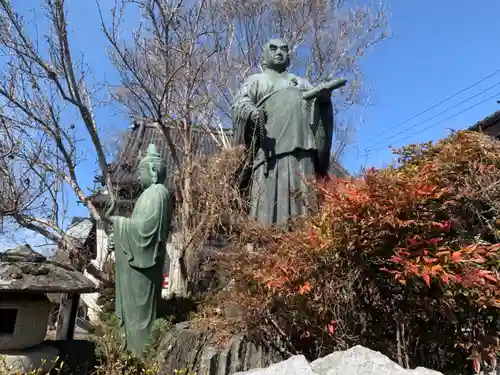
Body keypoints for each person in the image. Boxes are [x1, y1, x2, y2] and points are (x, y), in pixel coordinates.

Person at [232, 38, 334, 226]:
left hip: (302, 152)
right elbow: (240, 105)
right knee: (267, 206)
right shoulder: (256, 81)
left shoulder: (301, 83)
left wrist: (323, 101)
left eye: (284, 49)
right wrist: (252, 113)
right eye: (273, 49)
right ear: (263, 56)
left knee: (304, 200)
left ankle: (303, 245)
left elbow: (316, 110)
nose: (279, 52)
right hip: (268, 155)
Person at [105, 143, 172, 356]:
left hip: (144, 265)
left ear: (153, 172)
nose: (137, 178)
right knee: (132, 314)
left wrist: (119, 224)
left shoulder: (158, 193)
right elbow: (138, 230)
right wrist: (121, 232)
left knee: (141, 315)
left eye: (140, 172)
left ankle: (140, 355)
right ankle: (128, 354)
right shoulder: (147, 195)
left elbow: (147, 233)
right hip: (136, 266)